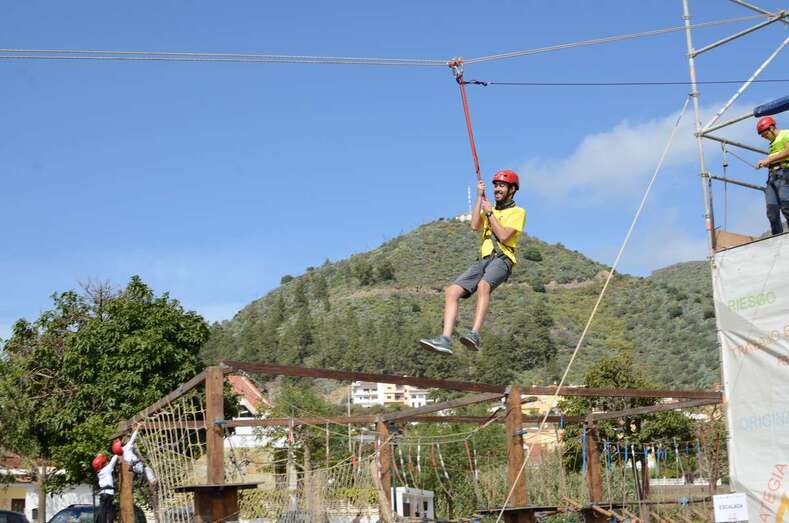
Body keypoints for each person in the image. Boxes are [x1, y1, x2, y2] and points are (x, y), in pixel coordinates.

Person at [419, 169, 526, 354]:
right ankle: (445, 339)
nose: (497, 189)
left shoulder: (518, 212)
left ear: (512, 190)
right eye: (496, 186)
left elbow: (504, 236)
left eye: (502, 186)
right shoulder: (489, 209)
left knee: (484, 286)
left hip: (503, 258)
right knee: (451, 292)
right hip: (483, 258)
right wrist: (479, 198)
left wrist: (490, 213)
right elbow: (475, 225)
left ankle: (475, 334)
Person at [756, 116, 789, 235]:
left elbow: (788, 151)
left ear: (771, 128)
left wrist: (769, 160)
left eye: (765, 135)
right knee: (771, 210)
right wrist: (767, 163)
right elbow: (777, 158)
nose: (765, 138)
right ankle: (777, 237)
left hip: (784, 174)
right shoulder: (772, 144)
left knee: (786, 205)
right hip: (772, 176)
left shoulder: (785, 134)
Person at [92, 452, 118, 523]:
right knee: (109, 512)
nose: (106, 463)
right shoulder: (107, 469)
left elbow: (99, 463)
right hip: (108, 494)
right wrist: (117, 452)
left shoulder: (99, 472)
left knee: (103, 513)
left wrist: (99, 456)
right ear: (103, 464)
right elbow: (113, 460)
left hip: (103, 494)